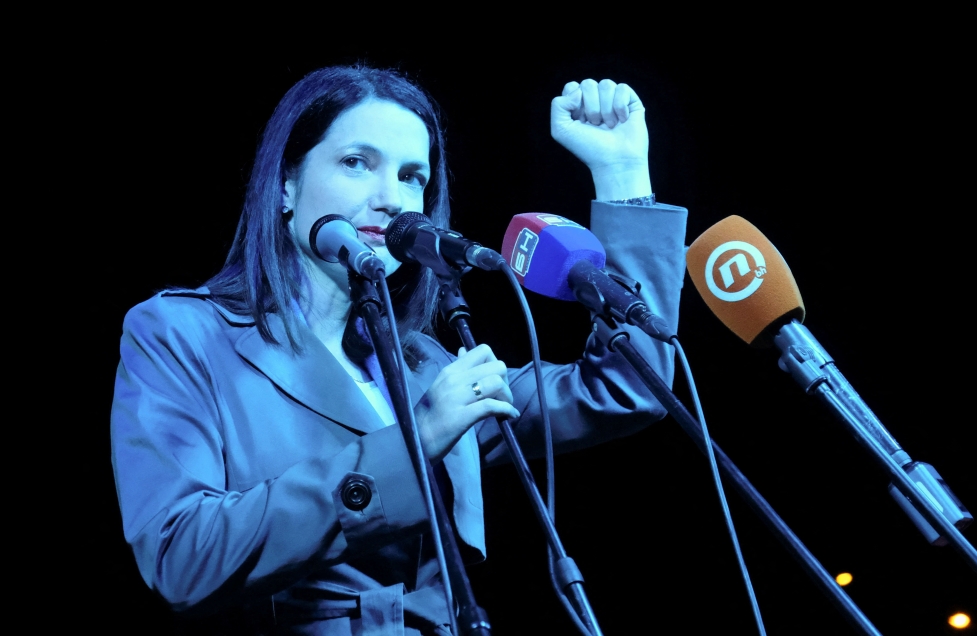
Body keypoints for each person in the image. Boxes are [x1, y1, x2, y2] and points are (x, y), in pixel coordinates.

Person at [111, 65, 688, 635]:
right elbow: (180, 558)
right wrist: (419, 440)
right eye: (357, 163)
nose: (392, 199)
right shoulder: (181, 333)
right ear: (286, 184)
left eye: (413, 177)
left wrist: (623, 176)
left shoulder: (426, 365)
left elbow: (629, 387)